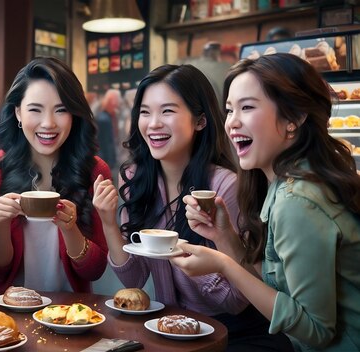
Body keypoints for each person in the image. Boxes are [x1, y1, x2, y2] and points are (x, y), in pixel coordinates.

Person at [92, 64, 292, 350]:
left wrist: (181, 255)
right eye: (145, 112)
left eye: (168, 111)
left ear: (200, 121)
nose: (153, 123)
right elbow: (134, 279)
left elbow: (235, 301)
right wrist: (109, 222)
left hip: (234, 333)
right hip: (173, 329)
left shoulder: (224, 187)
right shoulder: (139, 179)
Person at [173, 53, 360, 350]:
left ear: (294, 118)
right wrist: (225, 237)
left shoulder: (298, 200)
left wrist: (223, 265)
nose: (232, 122)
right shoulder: (283, 183)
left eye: (247, 107)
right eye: (229, 110)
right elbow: (278, 290)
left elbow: (315, 330)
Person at [0, 57, 110, 293]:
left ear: (74, 114)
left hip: (73, 315)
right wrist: (1, 222)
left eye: (61, 110)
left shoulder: (95, 171)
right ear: (18, 112)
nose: (48, 123)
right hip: (13, 311)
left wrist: (70, 228)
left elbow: (95, 270)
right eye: (35, 110)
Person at [96, 89, 120, 172]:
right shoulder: (104, 119)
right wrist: (110, 163)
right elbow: (106, 143)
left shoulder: (107, 116)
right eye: (116, 102)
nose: (117, 105)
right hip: (106, 161)